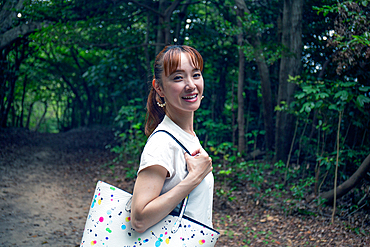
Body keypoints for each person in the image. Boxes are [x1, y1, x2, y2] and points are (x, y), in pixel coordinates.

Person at [130, 45, 214, 234]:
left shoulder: (187, 137)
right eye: (178, 77)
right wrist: (194, 178)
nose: (191, 85)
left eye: (196, 74)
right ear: (159, 88)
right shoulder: (162, 143)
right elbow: (139, 219)